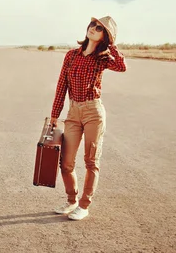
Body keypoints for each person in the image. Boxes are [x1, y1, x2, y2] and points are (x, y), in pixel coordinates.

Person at [50, 15, 127, 220]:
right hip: (73, 113)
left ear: (105, 37)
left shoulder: (102, 58)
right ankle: (71, 200)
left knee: (91, 161)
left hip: (93, 111)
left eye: (99, 28)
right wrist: (54, 116)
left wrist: (113, 45)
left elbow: (121, 66)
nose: (93, 28)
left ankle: (84, 205)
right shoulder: (71, 55)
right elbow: (61, 87)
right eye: (92, 24)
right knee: (66, 162)